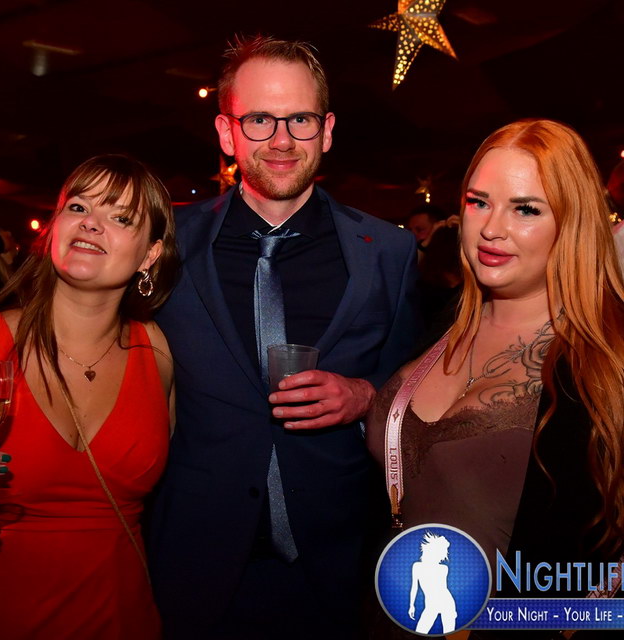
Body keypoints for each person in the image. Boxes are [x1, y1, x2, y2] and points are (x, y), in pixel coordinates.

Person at [147, 35, 420, 640]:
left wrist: (366, 395)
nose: (280, 140)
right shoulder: (166, 243)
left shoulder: (388, 252)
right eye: (259, 120)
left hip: (339, 567)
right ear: (227, 132)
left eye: (299, 119)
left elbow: (415, 384)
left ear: (327, 130)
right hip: (196, 564)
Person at [368, 119, 624, 625]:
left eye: (525, 209)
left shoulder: (604, 361)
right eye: (478, 202)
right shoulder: (444, 319)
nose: (491, 228)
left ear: (572, 223)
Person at [0, 154, 178, 640]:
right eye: (78, 207)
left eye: (121, 218)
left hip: (123, 619)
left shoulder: (155, 350)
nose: (91, 222)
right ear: (54, 226)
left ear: (150, 255)